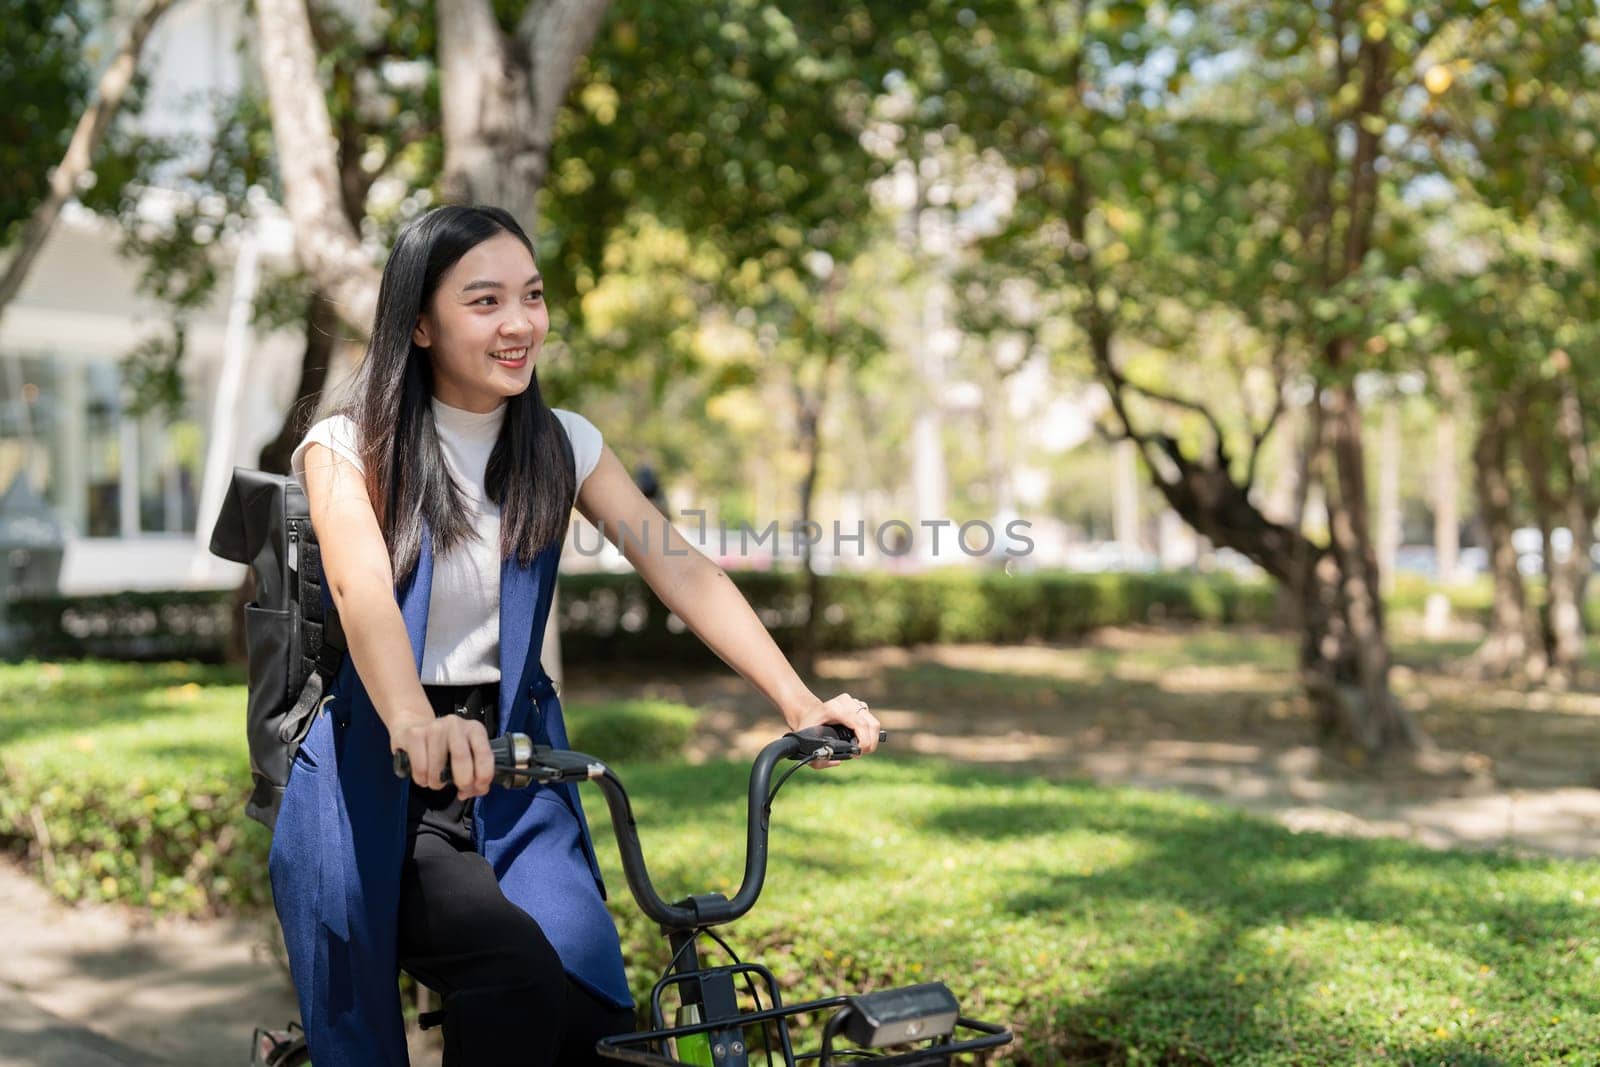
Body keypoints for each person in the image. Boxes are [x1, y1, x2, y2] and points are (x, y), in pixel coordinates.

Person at [271, 204, 882, 1067]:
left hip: (518, 767)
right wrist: (416, 723)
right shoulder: (347, 445)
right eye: (484, 302)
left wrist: (800, 701)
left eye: (532, 295)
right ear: (418, 323)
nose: (520, 322)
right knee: (508, 974)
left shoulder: (562, 443)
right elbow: (360, 587)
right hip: (384, 767)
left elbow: (683, 569)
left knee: (592, 1007)